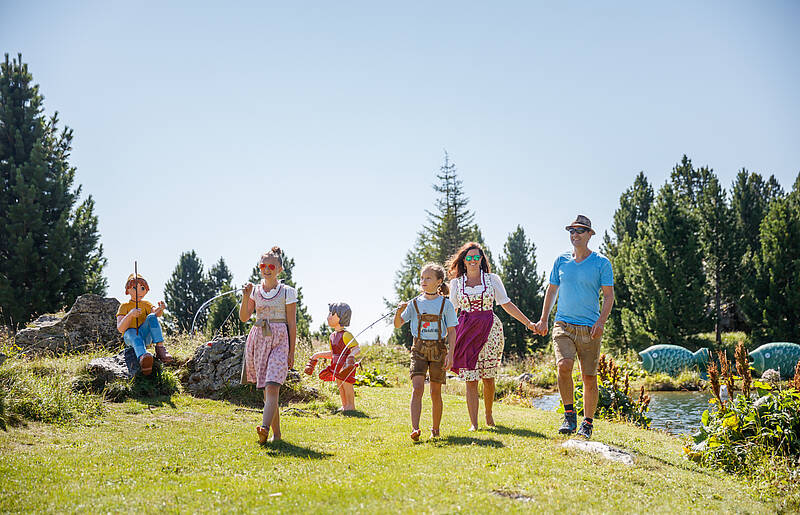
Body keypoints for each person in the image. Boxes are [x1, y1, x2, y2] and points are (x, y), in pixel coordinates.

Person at [534, 215, 614, 440]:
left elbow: (608, 297)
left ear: (590, 235)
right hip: (563, 324)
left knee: (589, 377)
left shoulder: (601, 263)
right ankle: (569, 415)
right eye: (572, 231)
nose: (575, 234)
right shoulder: (561, 261)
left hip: (590, 328)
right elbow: (551, 290)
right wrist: (544, 319)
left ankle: (587, 423)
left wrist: (601, 322)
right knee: (564, 365)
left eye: (580, 230)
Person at [447, 242, 538, 430]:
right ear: (464, 260)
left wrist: (528, 323)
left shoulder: (492, 279)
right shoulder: (456, 284)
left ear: (481, 259)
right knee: (470, 378)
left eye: (476, 257)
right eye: (469, 257)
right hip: (466, 331)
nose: (473, 261)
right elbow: (451, 311)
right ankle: (474, 424)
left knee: (488, 377)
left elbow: (506, 304)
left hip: (490, 329)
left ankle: (489, 417)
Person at [239, 247, 297, 444]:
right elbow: (245, 317)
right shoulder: (255, 290)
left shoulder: (287, 292)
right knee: (267, 390)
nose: (267, 269)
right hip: (259, 340)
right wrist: (246, 296)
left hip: (280, 341)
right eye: (263, 265)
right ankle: (277, 435)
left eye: (271, 266)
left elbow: (292, 323)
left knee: (272, 387)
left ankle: (263, 428)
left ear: (279, 269)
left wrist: (291, 352)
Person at [394, 263, 457, 441]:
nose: (423, 281)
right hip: (418, 349)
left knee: (435, 392)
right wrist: (399, 311)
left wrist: (451, 355)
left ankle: (435, 429)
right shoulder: (414, 304)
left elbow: (452, 331)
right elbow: (398, 324)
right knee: (417, 388)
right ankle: (415, 428)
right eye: (422, 278)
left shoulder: (446, 304)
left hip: (439, 350)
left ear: (439, 281)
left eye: (428, 278)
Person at [307, 302, 360, 411]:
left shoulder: (346, 335)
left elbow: (356, 349)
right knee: (340, 385)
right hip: (336, 365)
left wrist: (351, 356)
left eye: (331, 314)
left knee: (347, 385)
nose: (328, 317)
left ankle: (351, 406)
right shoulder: (332, 336)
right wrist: (318, 355)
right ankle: (345, 405)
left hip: (346, 366)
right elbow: (332, 354)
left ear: (341, 317)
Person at [116, 273, 172, 376]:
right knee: (134, 334)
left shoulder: (146, 304)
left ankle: (160, 348)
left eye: (142, 288)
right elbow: (120, 328)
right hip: (131, 336)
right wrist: (130, 315)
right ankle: (143, 358)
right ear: (127, 290)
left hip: (145, 336)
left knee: (151, 317)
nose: (139, 291)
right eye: (134, 288)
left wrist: (160, 309)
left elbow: (155, 314)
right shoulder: (124, 306)